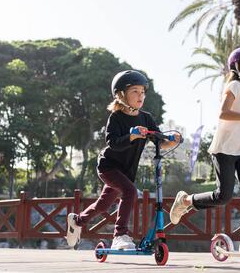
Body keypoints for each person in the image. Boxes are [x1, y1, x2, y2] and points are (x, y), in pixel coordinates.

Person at [170, 47, 240, 253]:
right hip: (224, 148)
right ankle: (185, 200)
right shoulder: (234, 86)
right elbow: (224, 113)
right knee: (223, 196)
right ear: (237, 66)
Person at [65, 70, 181, 250]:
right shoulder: (116, 118)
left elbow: (159, 141)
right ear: (121, 94)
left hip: (126, 171)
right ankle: (120, 235)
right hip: (108, 167)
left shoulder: (146, 117)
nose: (140, 95)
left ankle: (77, 221)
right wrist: (132, 136)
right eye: (135, 91)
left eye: (142, 92)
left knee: (103, 205)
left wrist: (170, 139)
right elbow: (113, 143)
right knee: (130, 192)